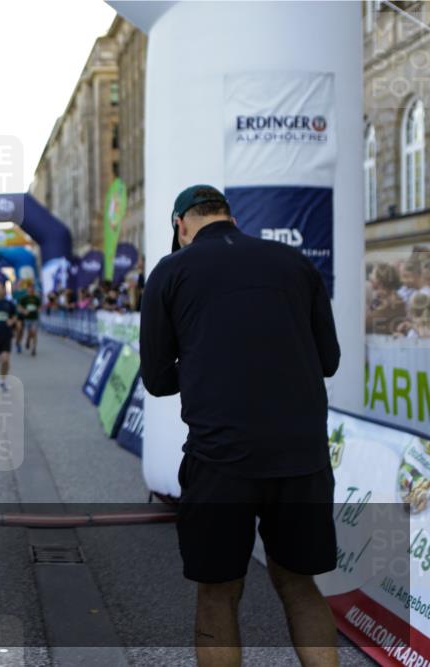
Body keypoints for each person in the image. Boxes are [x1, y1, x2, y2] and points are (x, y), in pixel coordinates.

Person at [140, 184, 340, 667]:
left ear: (180, 225)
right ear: (229, 216)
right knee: (298, 585)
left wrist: (213, 361)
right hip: (302, 458)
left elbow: (158, 380)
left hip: (220, 459)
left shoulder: (170, 271)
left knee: (218, 594)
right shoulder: (294, 263)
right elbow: (328, 361)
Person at [17, 282, 42, 356]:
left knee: (34, 332)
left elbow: (39, 306)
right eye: (29, 288)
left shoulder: (36, 298)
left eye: (32, 288)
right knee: (29, 333)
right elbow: (19, 307)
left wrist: (38, 309)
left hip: (35, 318)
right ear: (27, 289)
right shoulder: (24, 298)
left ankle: (34, 349)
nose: (31, 290)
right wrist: (24, 311)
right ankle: (28, 340)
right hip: (27, 318)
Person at [12, 279, 28, 353]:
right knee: (19, 328)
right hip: (17, 314)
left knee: (22, 331)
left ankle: (18, 343)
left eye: (21, 283)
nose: (20, 284)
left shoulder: (25, 292)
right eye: (19, 283)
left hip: (23, 314)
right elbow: (14, 303)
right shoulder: (15, 293)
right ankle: (17, 343)